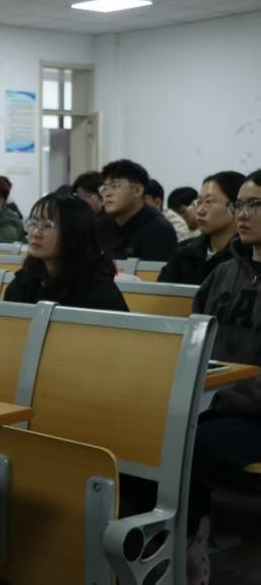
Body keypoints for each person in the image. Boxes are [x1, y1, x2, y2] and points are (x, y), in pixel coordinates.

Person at [186, 169, 261, 584]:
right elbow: (194, 340)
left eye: (256, 205)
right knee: (151, 431)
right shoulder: (224, 274)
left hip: (252, 412)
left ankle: (188, 546)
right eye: (240, 205)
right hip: (216, 402)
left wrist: (224, 395)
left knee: (195, 445)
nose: (243, 215)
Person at [4, 193, 127, 311]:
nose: (36, 233)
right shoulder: (24, 280)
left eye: (47, 225)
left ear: (74, 233)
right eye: (33, 223)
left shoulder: (99, 292)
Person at [159, 173, 245, 285]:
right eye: (198, 202)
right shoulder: (184, 251)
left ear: (236, 207)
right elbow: (161, 292)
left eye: (209, 202)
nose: (200, 211)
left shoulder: (248, 256)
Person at [96, 160, 177, 261]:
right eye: (104, 188)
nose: (107, 194)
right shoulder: (101, 225)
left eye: (115, 186)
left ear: (137, 191)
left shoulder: (159, 230)